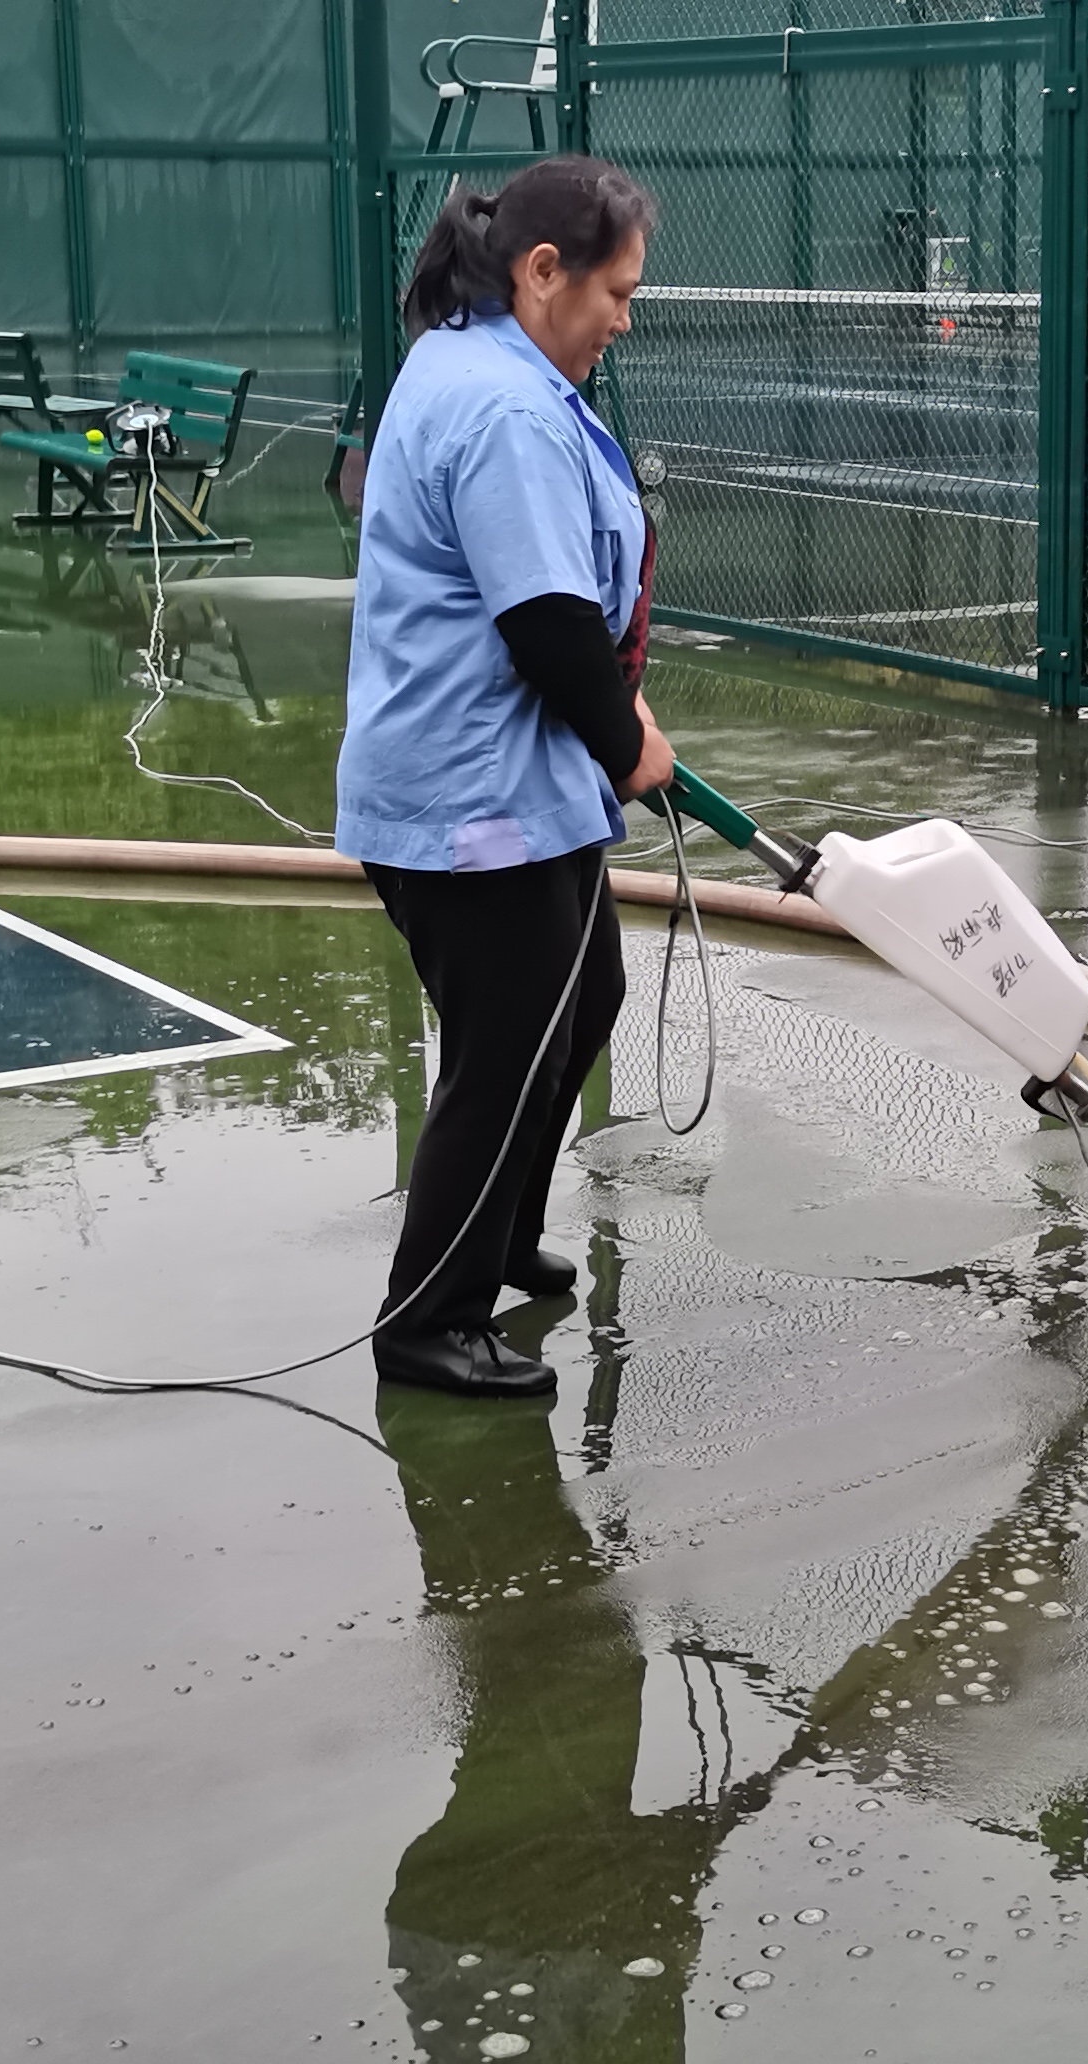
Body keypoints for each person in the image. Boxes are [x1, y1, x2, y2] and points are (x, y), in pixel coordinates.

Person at [337, 156, 673, 1400]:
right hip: (470, 804)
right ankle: (428, 1322)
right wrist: (626, 738)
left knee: (581, 998)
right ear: (543, 274)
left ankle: (499, 1232)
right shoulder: (507, 411)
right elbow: (541, 621)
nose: (624, 320)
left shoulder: (471, 360)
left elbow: (538, 600)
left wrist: (609, 706)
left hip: (499, 781)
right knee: (507, 1049)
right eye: (617, 293)